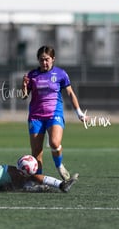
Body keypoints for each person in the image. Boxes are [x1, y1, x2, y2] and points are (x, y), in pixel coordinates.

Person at [22, 45, 85, 181]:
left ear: (53, 59)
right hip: (35, 116)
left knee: (55, 143)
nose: (44, 63)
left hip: (54, 113)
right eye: (41, 60)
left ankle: (59, 165)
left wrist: (79, 113)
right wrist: (24, 87)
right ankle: (39, 182)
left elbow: (70, 93)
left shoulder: (61, 74)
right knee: (36, 152)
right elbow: (24, 96)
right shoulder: (32, 75)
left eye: (47, 59)